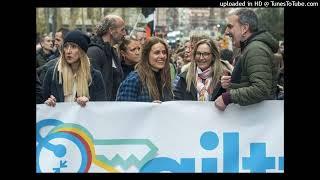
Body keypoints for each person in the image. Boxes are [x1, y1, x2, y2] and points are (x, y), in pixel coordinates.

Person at [215, 8, 279, 111]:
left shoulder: (256, 49)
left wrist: (227, 98)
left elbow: (261, 89)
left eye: (230, 27)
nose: (226, 32)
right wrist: (231, 84)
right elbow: (250, 82)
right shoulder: (250, 48)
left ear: (244, 28)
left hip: (257, 119)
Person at [43, 30, 106, 107]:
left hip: (83, 118)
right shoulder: (52, 73)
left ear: (82, 51)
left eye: (73, 46)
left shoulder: (94, 76)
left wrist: (88, 104)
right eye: (66, 46)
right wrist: (48, 102)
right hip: (58, 118)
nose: (68, 51)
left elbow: (101, 106)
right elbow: (42, 101)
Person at [116, 37, 173, 102]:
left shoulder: (165, 78)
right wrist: (148, 108)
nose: (162, 56)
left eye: (164, 52)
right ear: (146, 55)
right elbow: (123, 109)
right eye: (157, 53)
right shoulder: (134, 80)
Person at [87, 15, 126, 101]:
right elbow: (93, 86)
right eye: (122, 30)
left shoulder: (113, 52)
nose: (124, 33)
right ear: (111, 30)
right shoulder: (94, 52)